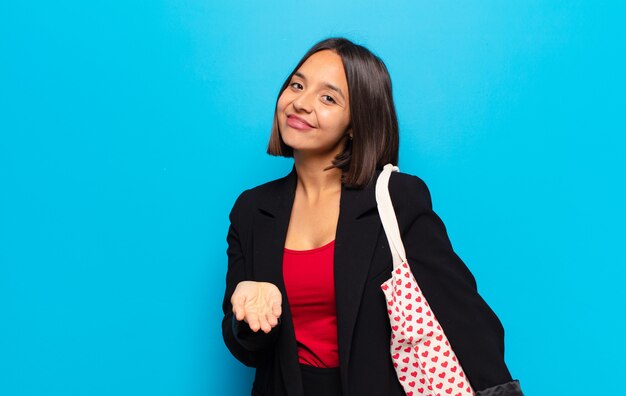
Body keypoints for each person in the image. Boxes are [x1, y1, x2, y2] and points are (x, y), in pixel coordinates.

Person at [221, 37, 523, 396]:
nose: (300, 103)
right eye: (297, 85)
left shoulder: (396, 198)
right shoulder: (252, 209)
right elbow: (244, 348)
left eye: (328, 97)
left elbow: (465, 319)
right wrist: (251, 311)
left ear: (355, 123)